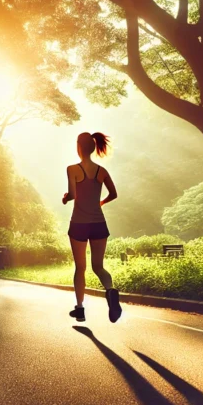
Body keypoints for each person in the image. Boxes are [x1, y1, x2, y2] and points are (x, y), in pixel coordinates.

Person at [62, 131, 122, 323]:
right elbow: (114, 194)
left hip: (79, 224)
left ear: (79, 147)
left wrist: (65, 198)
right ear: (94, 147)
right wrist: (101, 203)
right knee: (98, 266)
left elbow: (72, 194)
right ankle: (111, 291)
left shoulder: (72, 169)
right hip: (99, 224)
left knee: (80, 268)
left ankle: (80, 309)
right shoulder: (101, 171)